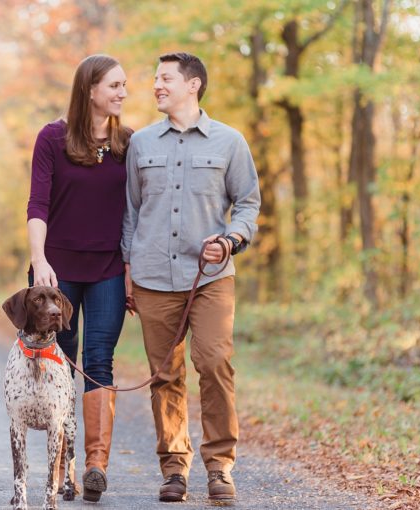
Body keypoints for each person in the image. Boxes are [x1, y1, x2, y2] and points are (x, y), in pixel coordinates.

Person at [121, 52, 260, 502]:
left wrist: (233, 239)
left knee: (215, 363)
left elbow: (248, 204)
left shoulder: (229, 142)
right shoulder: (141, 144)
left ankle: (219, 466)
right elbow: (130, 213)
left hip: (211, 275)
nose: (157, 85)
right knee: (165, 375)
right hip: (153, 276)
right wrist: (127, 268)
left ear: (193, 84)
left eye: (165, 78)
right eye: (156, 78)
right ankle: (174, 468)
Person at [26, 53, 133, 503]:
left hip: (108, 268)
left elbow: (135, 212)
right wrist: (40, 260)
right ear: (89, 89)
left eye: (125, 85)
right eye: (114, 85)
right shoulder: (53, 138)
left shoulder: (129, 142)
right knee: (60, 365)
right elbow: (38, 205)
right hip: (59, 271)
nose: (123, 93)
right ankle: (61, 465)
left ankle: (95, 466)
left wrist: (131, 271)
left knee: (99, 361)